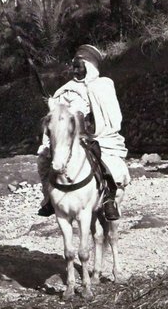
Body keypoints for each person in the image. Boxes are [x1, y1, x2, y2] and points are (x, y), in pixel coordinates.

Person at [36, 44, 129, 221]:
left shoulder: (103, 86)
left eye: (80, 67)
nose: (75, 71)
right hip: (67, 138)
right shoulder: (65, 89)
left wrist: (89, 125)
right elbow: (57, 116)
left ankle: (108, 199)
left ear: (90, 67)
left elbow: (112, 118)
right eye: (74, 67)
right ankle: (49, 199)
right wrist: (53, 107)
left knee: (108, 164)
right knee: (44, 159)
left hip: (97, 136)